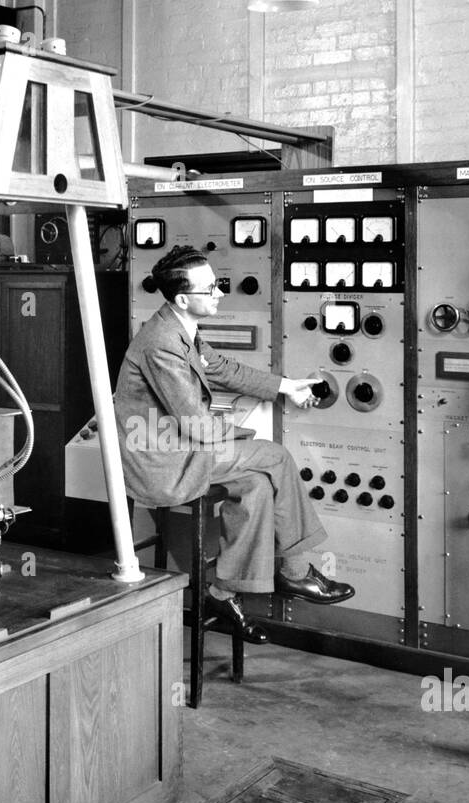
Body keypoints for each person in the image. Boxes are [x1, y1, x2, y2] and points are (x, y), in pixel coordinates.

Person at [114, 244, 354, 641]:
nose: (220, 294)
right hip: (163, 460)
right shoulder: (161, 342)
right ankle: (296, 573)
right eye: (210, 289)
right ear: (182, 298)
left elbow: (222, 369)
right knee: (274, 457)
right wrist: (246, 436)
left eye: (218, 285)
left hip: (182, 447)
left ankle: (221, 594)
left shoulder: (181, 329)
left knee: (257, 485)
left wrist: (286, 387)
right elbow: (197, 423)